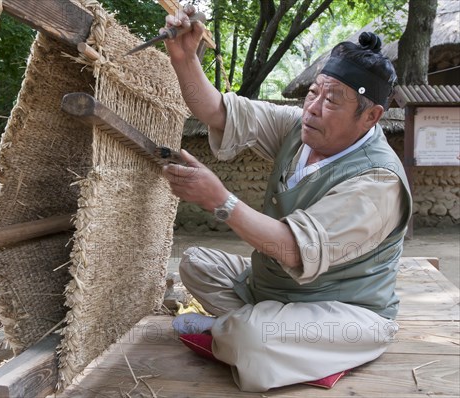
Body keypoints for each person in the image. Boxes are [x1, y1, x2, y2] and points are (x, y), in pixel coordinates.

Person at [161, 5, 412, 392]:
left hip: (345, 311)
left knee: (253, 341)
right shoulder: (298, 128)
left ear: (371, 116)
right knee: (195, 264)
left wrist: (221, 201)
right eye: (313, 93)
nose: (312, 108)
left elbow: (293, 250)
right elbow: (215, 111)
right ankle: (265, 336)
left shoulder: (377, 181)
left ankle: (241, 335)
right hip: (274, 289)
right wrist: (185, 59)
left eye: (331, 101)